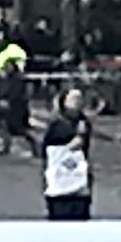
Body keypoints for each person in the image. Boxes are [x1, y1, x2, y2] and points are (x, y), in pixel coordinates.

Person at [42, 87, 94, 219]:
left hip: (79, 173)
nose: (77, 102)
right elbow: (49, 146)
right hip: (60, 174)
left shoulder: (83, 121)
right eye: (73, 99)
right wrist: (68, 146)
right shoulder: (57, 122)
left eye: (80, 99)